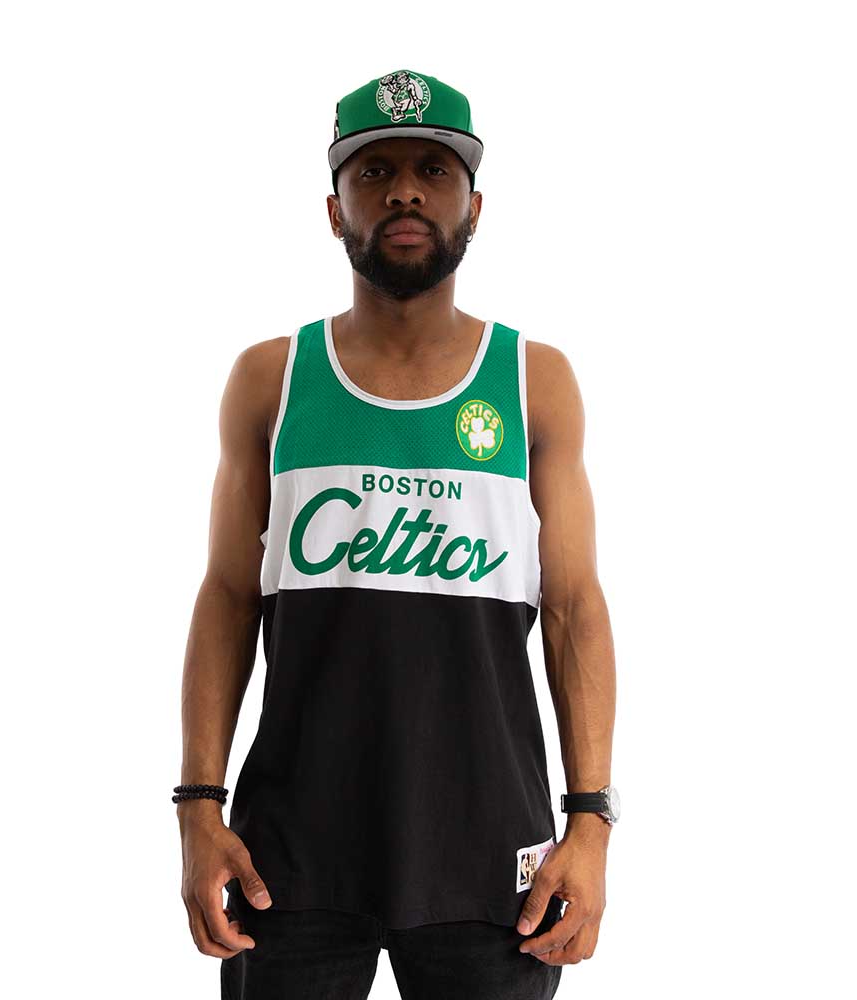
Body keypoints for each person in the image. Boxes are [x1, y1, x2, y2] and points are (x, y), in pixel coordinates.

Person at [176, 68, 619, 1000]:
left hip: (491, 853)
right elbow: (226, 597)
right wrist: (197, 808)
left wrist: (590, 822)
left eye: (433, 170)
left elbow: (574, 608)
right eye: (374, 172)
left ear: (474, 207)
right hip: (290, 854)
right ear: (334, 210)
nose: (406, 192)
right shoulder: (271, 378)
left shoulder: (533, 381)